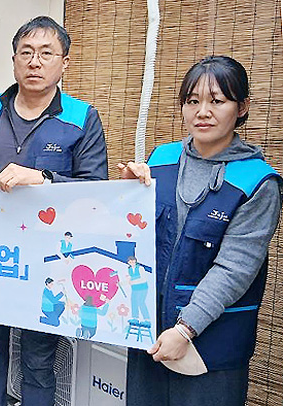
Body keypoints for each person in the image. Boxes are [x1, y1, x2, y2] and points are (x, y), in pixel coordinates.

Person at [0, 16, 107, 406]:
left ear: (64, 63)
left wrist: (44, 179)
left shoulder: (81, 118)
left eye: (46, 53)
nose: (35, 62)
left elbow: (96, 191)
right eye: (26, 52)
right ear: (14, 60)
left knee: (38, 363)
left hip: (48, 265)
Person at [120, 56, 282, 406]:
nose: (202, 112)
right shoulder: (160, 160)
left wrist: (185, 329)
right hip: (150, 336)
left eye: (217, 101)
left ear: (242, 107)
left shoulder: (257, 182)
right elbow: (134, 240)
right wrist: (126, 196)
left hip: (210, 348)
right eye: (192, 101)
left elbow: (234, 269)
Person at [125, 256, 150, 321]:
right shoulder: (129, 269)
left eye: (133, 261)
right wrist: (123, 283)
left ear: (135, 261)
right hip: (134, 289)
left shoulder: (140, 268)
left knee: (141, 302)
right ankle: (135, 317)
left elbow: (143, 278)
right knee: (133, 301)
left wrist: (133, 281)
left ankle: (146, 318)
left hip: (142, 288)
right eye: (130, 262)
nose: (132, 263)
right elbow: (128, 280)